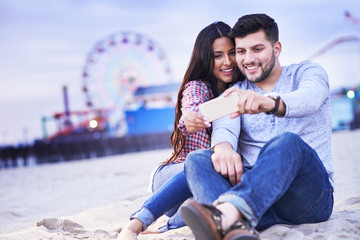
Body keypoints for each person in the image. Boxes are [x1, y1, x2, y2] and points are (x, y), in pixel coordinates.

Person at [180, 13, 334, 240]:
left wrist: (269, 103)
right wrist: (222, 148)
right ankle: (236, 230)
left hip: (308, 198)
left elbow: (309, 99)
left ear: (277, 48)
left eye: (257, 49)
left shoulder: (306, 73)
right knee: (197, 160)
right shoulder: (236, 91)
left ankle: (225, 216)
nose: (247, 59)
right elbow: (224, 129)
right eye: (241, 51)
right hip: (260, 202)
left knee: (288, 141)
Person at [118, 21, 244, 239]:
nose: (227, 61)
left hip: (202, 188)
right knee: (207, 166)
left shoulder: (242, 91)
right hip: (174, 177)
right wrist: (190, 117)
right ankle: (134, 224)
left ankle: (164, 226)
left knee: (229, 196)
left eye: (232, 52)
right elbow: (191, 105)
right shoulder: (199, 86)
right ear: (206, 58)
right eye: (218, 55)